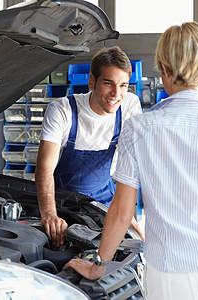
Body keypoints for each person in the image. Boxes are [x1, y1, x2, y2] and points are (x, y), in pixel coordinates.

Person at [64, 22, 198, 300]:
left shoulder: (140, 128)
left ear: (163, 69)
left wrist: (99, 266)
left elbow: (123, 212)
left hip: (167, 273)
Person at [35, 46, 143, 247]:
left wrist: (126, 213)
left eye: (123, 85)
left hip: (105, 203)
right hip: (62, 204)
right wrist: (50, 215)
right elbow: (44, 167)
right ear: (91, 81)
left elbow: (133, 163)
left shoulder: (129, 106)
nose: (116, 94)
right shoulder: (62, 110)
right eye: (108, 83)